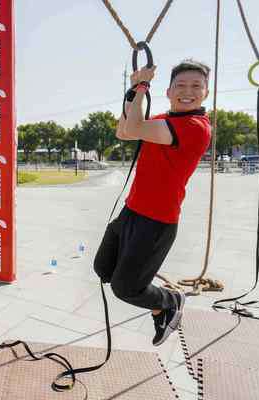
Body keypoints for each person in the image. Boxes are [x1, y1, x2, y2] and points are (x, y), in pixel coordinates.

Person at [93, 60, 212, 346]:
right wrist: (134, 91)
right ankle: (160, 307)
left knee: (125, 288)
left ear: (206, 93)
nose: (188, 91)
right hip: (132, 211)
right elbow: (124, 131)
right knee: (103, 268)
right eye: (181, 85)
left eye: (196, 86)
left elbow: (133, 128)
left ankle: (171, 301)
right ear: (169, 91)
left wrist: (141, 85)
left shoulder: (196, 127)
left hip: (156, 222)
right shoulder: (164, 119)